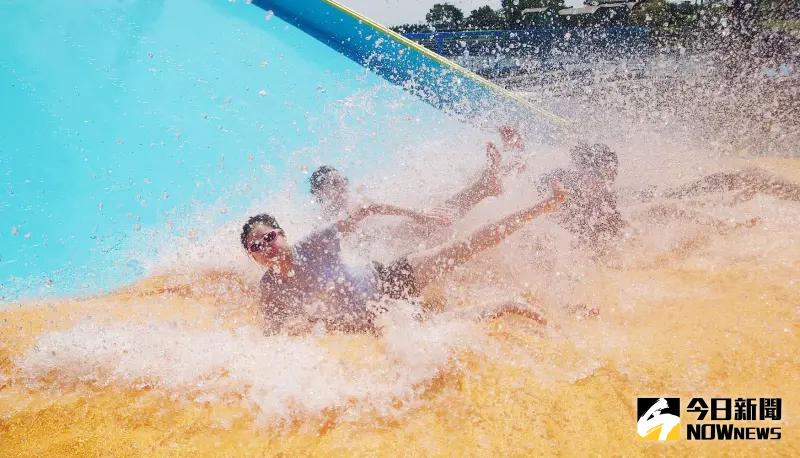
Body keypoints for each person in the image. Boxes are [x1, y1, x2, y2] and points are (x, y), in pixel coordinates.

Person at [240, 183, 567, 335]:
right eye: (257, 246)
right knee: (437, 331)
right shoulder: (271, 289)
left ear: (282, 234)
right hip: (370, 322)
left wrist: (419, 214)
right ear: (252, 257)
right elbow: (273, 334)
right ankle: (507, 305)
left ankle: (543, 206)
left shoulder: (313, 244)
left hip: (389, 277)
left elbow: (366, 210)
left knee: (465, 247)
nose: (267, 246)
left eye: (270, 237)